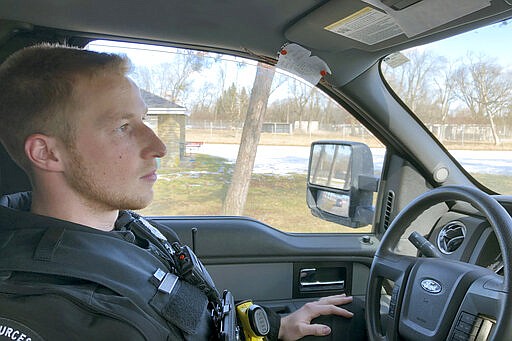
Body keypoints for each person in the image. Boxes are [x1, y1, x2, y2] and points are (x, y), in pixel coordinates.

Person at [0, 44, 366, 340]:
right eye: (123, 127)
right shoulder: (54, 312)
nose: (159, 146)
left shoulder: (126, 229)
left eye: (144, 120)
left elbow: (191, 315)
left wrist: (277, 327)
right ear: (47, 153)